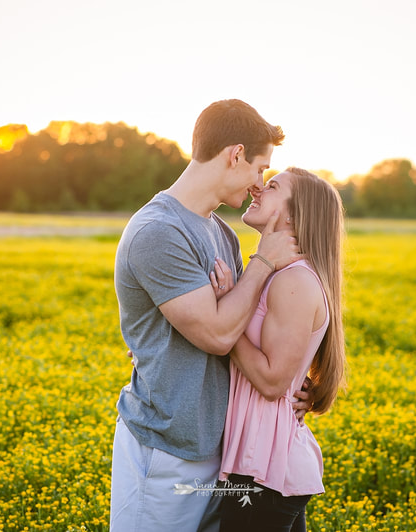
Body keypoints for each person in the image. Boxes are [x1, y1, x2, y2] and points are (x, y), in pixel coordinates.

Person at [110, 100, 311, 532]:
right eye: (260, 168)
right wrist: (263, 263)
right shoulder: (158, 231)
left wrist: (300, 384)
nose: (260, 183)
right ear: (235, 155)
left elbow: (240, 324)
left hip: (219, 451)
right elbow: (219, 336)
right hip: (166, 450)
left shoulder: (220, 231)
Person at [211, 167, 346, 532]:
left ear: (294, 214)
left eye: (271, 186)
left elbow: (271, 382)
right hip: (260, 464)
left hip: (266, 471)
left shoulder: (294, 281)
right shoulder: (274, 273)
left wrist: (222, 319)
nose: (257, 189)